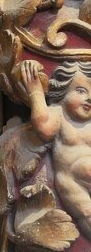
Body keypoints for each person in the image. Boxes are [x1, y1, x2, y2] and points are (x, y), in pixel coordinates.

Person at [22, 59, 91, 238]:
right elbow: (44, 127)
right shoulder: (58, 113)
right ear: (64, 90)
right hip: (72, 182)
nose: (89, 98)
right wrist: (36, 92)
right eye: (81, 91)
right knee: (86, 213)